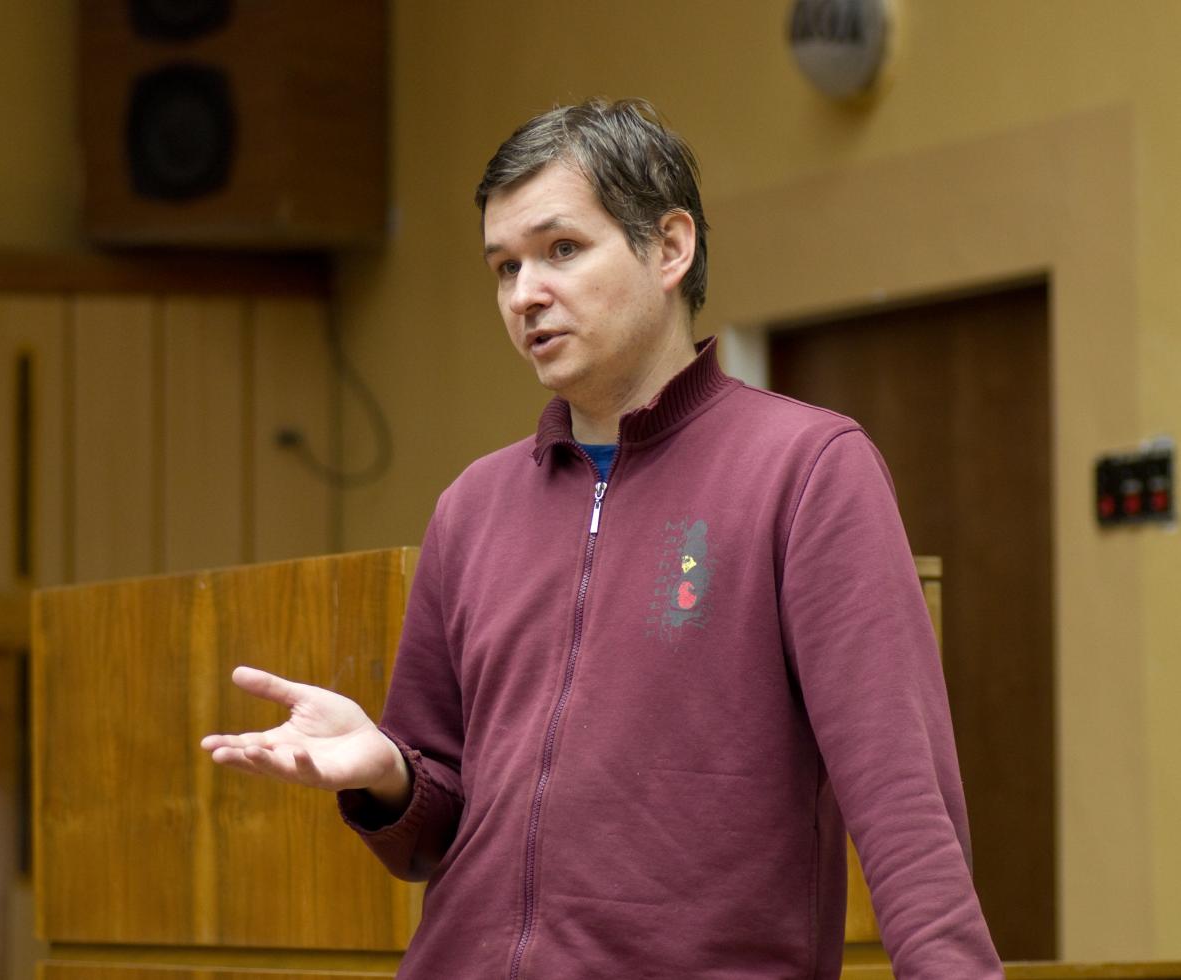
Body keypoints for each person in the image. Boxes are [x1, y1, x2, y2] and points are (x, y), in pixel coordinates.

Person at [202, 98, 1002, 978]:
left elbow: (902, 797)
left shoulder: (807, 469)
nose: (525, 294)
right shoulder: (472, 506)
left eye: (562, 249)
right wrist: (386, 771)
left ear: (670, 248)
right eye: (505, 267)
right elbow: (431, 835)